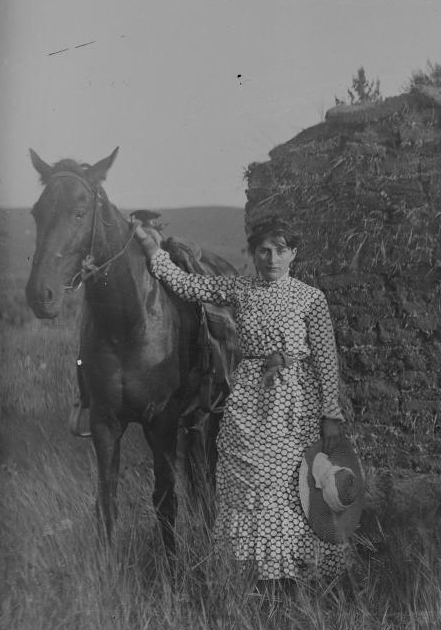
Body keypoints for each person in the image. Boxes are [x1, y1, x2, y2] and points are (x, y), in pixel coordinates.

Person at [130, 215, 352, 582]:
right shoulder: (240, 289)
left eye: (280, 251)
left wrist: (330, 413)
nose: (271, 259)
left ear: (293, 253)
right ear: (252, 254)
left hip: (296, 405)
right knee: (247, 481)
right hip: (249, 401)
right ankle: (258, 573)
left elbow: (326, 360)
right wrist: (151, 247)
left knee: (291, 485)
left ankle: (297, 571)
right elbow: (186, 285)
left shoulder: (311, 299)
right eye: (263, 251)